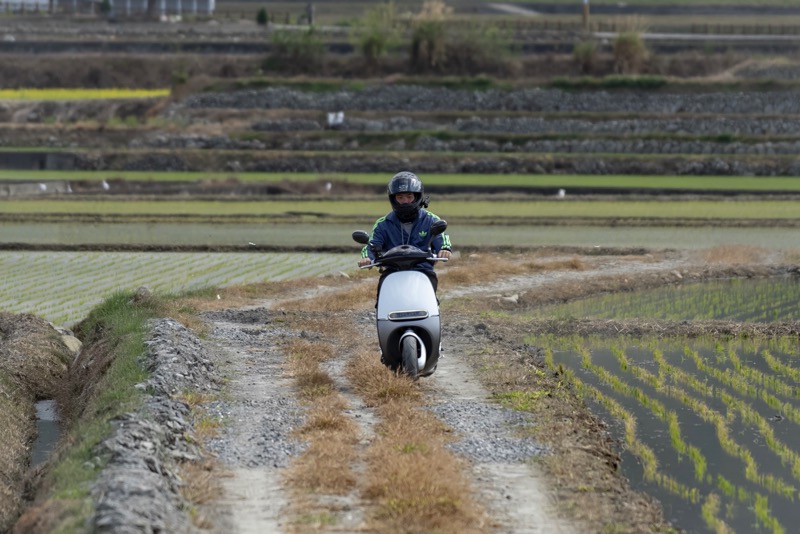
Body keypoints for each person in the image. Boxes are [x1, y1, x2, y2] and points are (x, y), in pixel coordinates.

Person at [359, 171, 452, 295]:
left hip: (423, 271)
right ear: (393, 199)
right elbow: (371, 245)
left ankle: (432, 312)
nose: (405, 201)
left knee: (429, 298)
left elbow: (442, 239)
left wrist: (445, 249)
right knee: (382, 297)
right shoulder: (383, 224)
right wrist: (367, 258)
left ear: (417, 197)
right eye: (400, 197)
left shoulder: (431, 220)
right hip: (392, 272)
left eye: (409, 196)